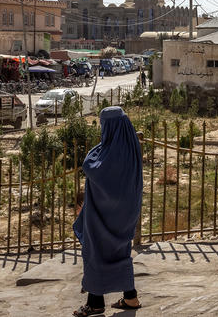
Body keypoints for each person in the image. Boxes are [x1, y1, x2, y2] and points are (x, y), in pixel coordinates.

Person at [73, 106, 143, 316]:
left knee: (96, 251)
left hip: (104, 215)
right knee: (120, 252)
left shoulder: (105, 153)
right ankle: (130, 298)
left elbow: (91, 167)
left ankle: (95, 303)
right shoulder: (130, 147)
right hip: (126, 212)